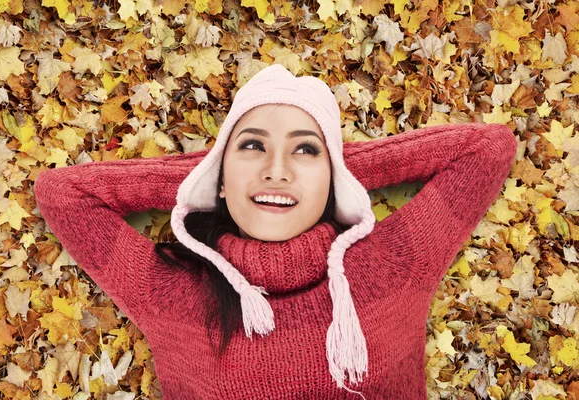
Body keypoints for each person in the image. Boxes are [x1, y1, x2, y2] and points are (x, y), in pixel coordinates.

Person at [33, 64, 518, 399]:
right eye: (251, 147)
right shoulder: (170, 294)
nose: (277, 170)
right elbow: (64, 193)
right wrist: (215, 173)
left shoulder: (395, 265)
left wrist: (336, 171)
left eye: (305, 151)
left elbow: (487, 148)